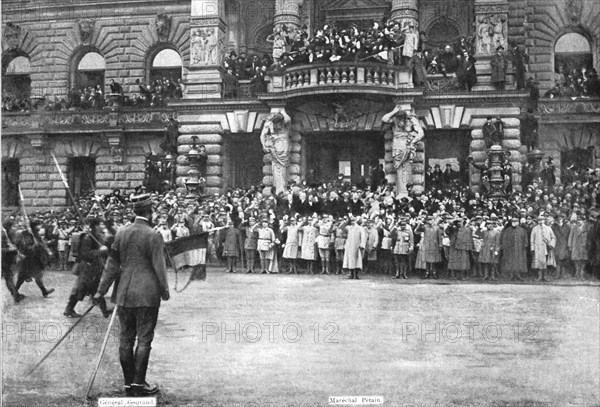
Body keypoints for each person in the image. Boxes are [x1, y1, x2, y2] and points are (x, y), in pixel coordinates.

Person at [93, 194, 170, 397]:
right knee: (144, 340)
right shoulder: (154, 235)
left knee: (125, 339)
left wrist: (101, 290)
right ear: (149, 211)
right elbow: (159, 267)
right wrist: (165, 290)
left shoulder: (121, 233)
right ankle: (138, 384)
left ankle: (129, 383)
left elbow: (111, 265)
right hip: (147, 294)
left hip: (124, 294)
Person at [64, 218, 111, 318]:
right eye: (101, 224)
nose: (103, 226)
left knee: (96, 288)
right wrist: (100, 251)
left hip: (95, 268)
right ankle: (69, 309)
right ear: (96, 226)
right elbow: (85, 254)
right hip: (87, 268)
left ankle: (104, 310)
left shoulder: (98, 237)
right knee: (80, 289)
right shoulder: (88, 238)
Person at [14, 220, 55, 298]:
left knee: (38, 275)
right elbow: (24, 245)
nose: (40, 227)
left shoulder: (36, 234)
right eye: (38, 225)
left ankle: (44, 291)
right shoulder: (26, 233)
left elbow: (42, 244)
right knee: (22, 276)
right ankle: (15, 291)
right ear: (34, 226)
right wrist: (31, 246)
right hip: (27, 258)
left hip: (35, 258)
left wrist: (47, 250)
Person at [260, 110, 291, 194]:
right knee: (275, 169)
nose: (277, 126)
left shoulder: (286, 124)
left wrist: (283, 111)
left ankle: (283, 189)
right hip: (274, 149)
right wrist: (264, 145)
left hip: (284, 149)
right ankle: (279, 190)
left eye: (279, 124)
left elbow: (288, 119)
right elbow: (262, 135)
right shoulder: (269, 124)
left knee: (283, 169)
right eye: (276, 124)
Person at [2, 220, 24, 303]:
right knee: (9, 277)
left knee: (9, 277)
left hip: (7, 258)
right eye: (13, 227)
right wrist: (12, 250)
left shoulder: (9, 235)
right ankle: (16, 295)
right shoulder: (4, 235)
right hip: (4, 258)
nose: (15, 228)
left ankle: (16, 294)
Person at [530, 215, 556, 282]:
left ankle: (546, 276)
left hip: (546, 248)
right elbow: (532, 239)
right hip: (538, 248)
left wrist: (552, 244)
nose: (540, 221)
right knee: (539, 262)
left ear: (544, 220)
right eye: (539, 220)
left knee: (546, 262)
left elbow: (553, 237)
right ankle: (539, 276)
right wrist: (532, 248)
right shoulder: (535, 229)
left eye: (542, 220)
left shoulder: (548, 228)